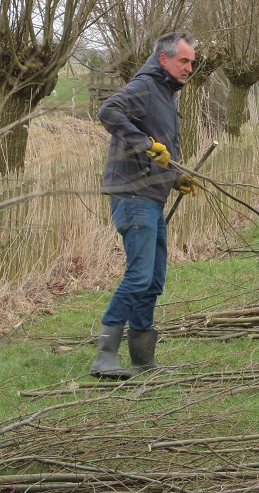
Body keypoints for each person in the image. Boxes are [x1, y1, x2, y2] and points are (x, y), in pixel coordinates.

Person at [90, 32, 199, 379]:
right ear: (164, 59)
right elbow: (108, 111)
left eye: (192, 62)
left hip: (151, 193)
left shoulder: (165, 93)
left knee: (153, 279)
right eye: (184, 61)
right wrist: (145, 144)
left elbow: (161, 146)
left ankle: (142, 357)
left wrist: (174, 176)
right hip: (132, 194)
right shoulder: (146, 86)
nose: (189, 68)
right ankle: (105, 354)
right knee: (138, 275)